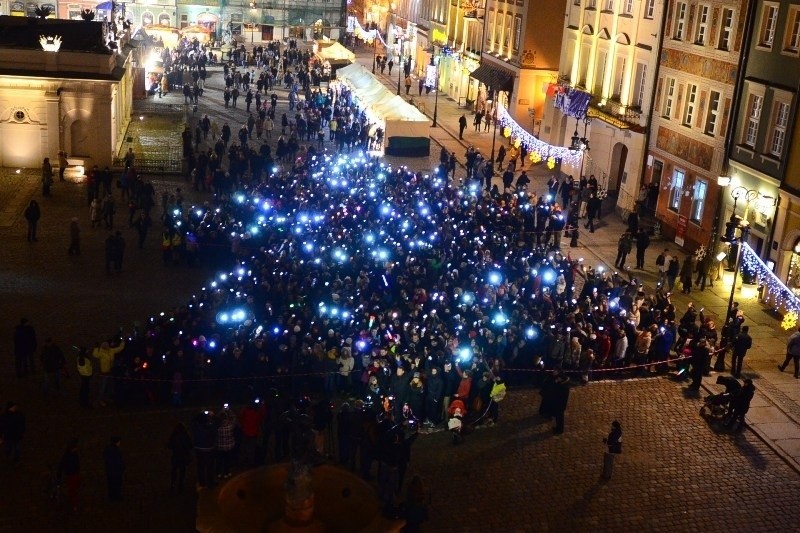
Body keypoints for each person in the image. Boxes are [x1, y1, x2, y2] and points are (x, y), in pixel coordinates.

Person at [167, 423, 193, 492]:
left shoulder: (173, 436)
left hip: (175, 456)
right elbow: (190, 445)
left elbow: (169, 445)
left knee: (174, 471)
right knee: (182, 471)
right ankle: (180, 485)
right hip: (183, 456)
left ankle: (173, 484)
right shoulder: (185, 436)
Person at [58, 438, 81, 511]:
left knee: (74, 488)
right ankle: (73, 504)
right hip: (71, 474)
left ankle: (73, 501)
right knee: (73, 490)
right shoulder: (69, 456)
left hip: (74, 474)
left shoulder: (71, 455)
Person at [103, 436, 125, 501]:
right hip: (116, 471)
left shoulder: (107, 449)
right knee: (117, 484)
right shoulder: (116, 450)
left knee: (111, 484)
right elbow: (118, 461)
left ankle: (111, 496)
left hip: (110, 470)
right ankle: (116, 496)